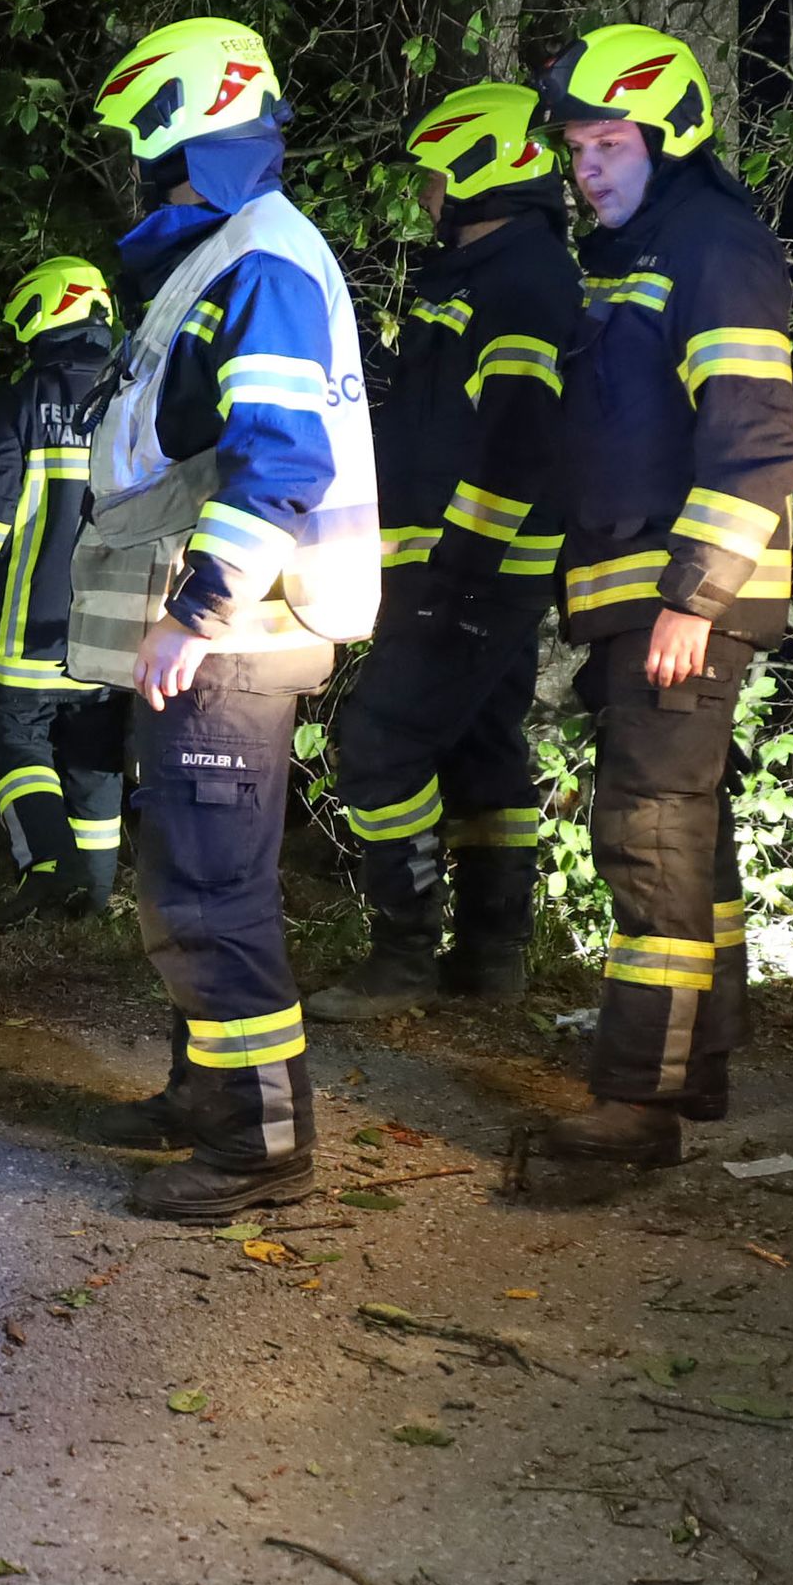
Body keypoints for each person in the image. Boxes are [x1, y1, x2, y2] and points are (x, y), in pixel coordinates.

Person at [78, 15, 378, 1222]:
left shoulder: (257, 260)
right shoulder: (235, 251)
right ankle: (206, 1097)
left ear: (181, 132)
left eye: (143, 144)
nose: (137, 168)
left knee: (211, 893)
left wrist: (194, 611)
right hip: (227, 634)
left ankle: (259, 1144)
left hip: (235, 636)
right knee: (189, 880)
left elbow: (280, 459)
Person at [533, 23, 793, 1161]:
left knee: (646, 833)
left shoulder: (711, 246)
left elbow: (756, 439)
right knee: (688, 831)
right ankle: (698, 1062)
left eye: (608, 143)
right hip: (646, 593)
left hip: (681, 601)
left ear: (669, 137)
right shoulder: (640, 250)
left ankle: (637, 1103)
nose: (586, 168)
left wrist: (694, 598)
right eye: (576, 149)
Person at [312, 82, 574, 1018]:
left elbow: (520, 439)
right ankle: (492, 958)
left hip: (473, 570)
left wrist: (458, 567)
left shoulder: (523, 280)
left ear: (479, 171)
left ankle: (402, 957)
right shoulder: (481, 274)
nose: (423, 193)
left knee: (380, 743)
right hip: (465, 567)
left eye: (433, 174)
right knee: (482, 750)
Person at [0, 256, 128, 925]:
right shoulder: (137, 396)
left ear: (46, 310)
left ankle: (50, 865)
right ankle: (92, 904)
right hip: (114, 631)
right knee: (95, 759)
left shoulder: (26, 399)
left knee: (14, 739)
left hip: (26, 626)